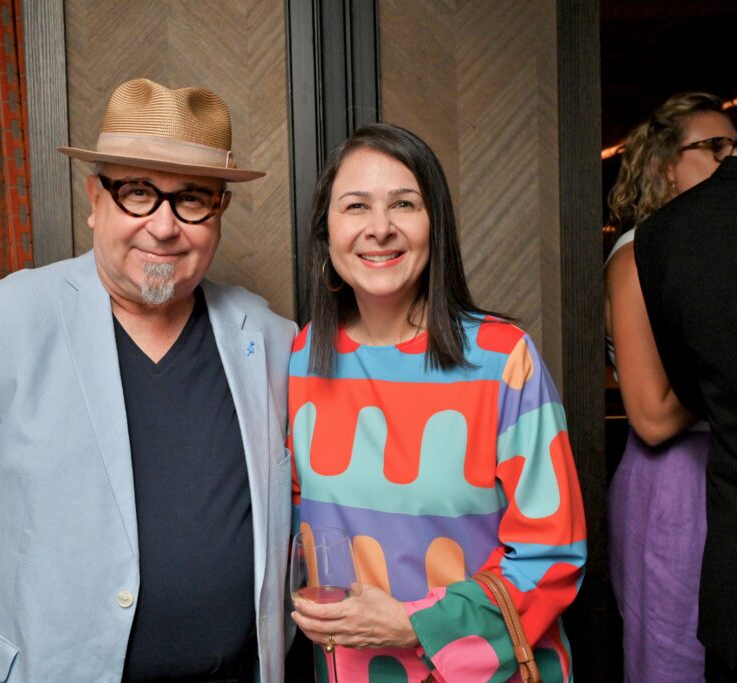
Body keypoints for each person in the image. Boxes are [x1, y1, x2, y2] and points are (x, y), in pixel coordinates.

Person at [0, 78, 297, 682]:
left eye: (193, 199)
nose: (163, 225)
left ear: (219, 211)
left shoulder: (273, 338)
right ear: (94, 199)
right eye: (137, 193)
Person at [287, 123, 586, 681]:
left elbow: (552, 557)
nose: (381, 228)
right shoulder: (304, 356)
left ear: (435, 226)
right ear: (326, 234)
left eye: (404, 203)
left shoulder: (502, 359)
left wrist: (413, 623)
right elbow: (295, 525)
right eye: (355, 206)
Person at [603, 91, 735, 682]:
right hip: (678, 483)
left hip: (717, 467)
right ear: (662, 164)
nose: (730, 160)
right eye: (713, 147)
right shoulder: (638, 254)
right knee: (674, 655)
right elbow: (652, 416)